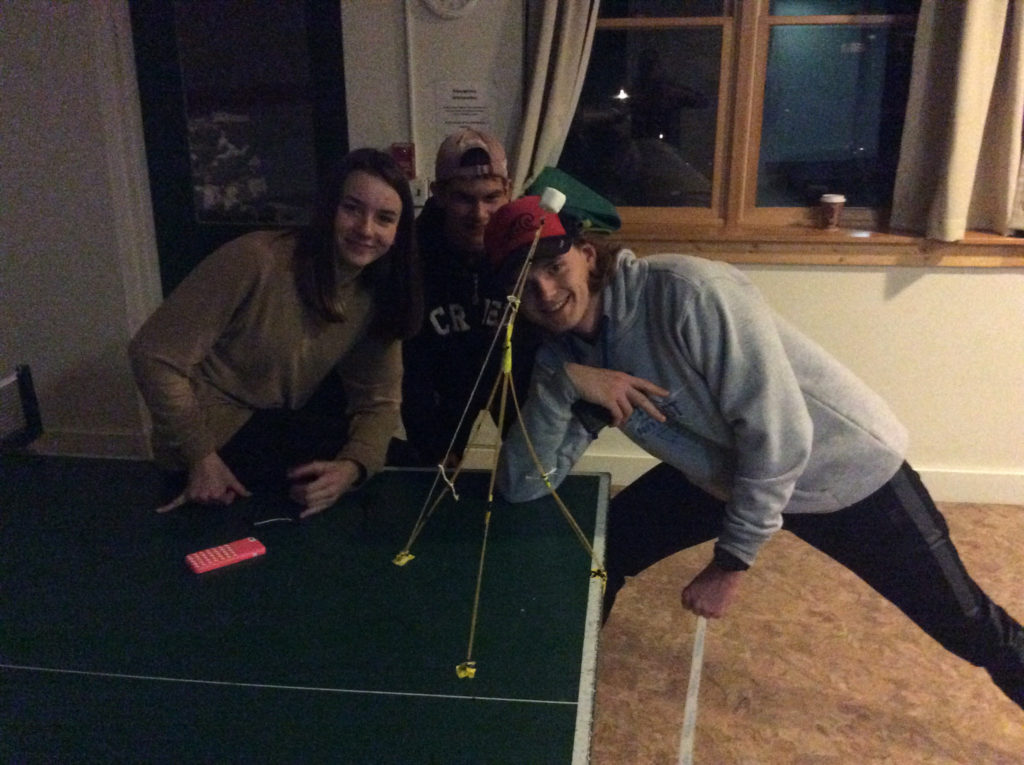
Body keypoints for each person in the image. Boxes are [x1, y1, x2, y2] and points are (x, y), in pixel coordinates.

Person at [486, 194, 1024, 710]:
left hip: (840, 471)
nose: (546, 291)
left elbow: (783, 439)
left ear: (584, 255)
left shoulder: (688, 293)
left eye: (553, 268)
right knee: (604, 550)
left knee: (967, 622)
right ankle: (556, 696)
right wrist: (561, 382)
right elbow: (525, 484)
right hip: (724, 474)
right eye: (524, 283)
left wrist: (730, 563)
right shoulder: (568, 356)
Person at [130, 148, 422, 518]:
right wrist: (201, 456)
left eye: (384, 218)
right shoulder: (257, 260)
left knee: (393, 460)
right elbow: (152, 354)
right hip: (206, 436)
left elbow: (379, 403)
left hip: (269, 425)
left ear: (398, 231)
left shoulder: (373, 293)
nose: (366, 229)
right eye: (352, 208)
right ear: (328, 208)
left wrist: (351, 468)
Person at [391, 128, 535, 468]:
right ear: (438, 193)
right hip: (439, 387)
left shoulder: (529, 248)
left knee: (532, 473)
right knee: (434, 477)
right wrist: (426, 428)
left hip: (513, 379)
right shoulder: (409, 255)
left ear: (508, 191)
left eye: (491, 198)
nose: (479, 214)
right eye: (464, 199)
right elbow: (409, 356)